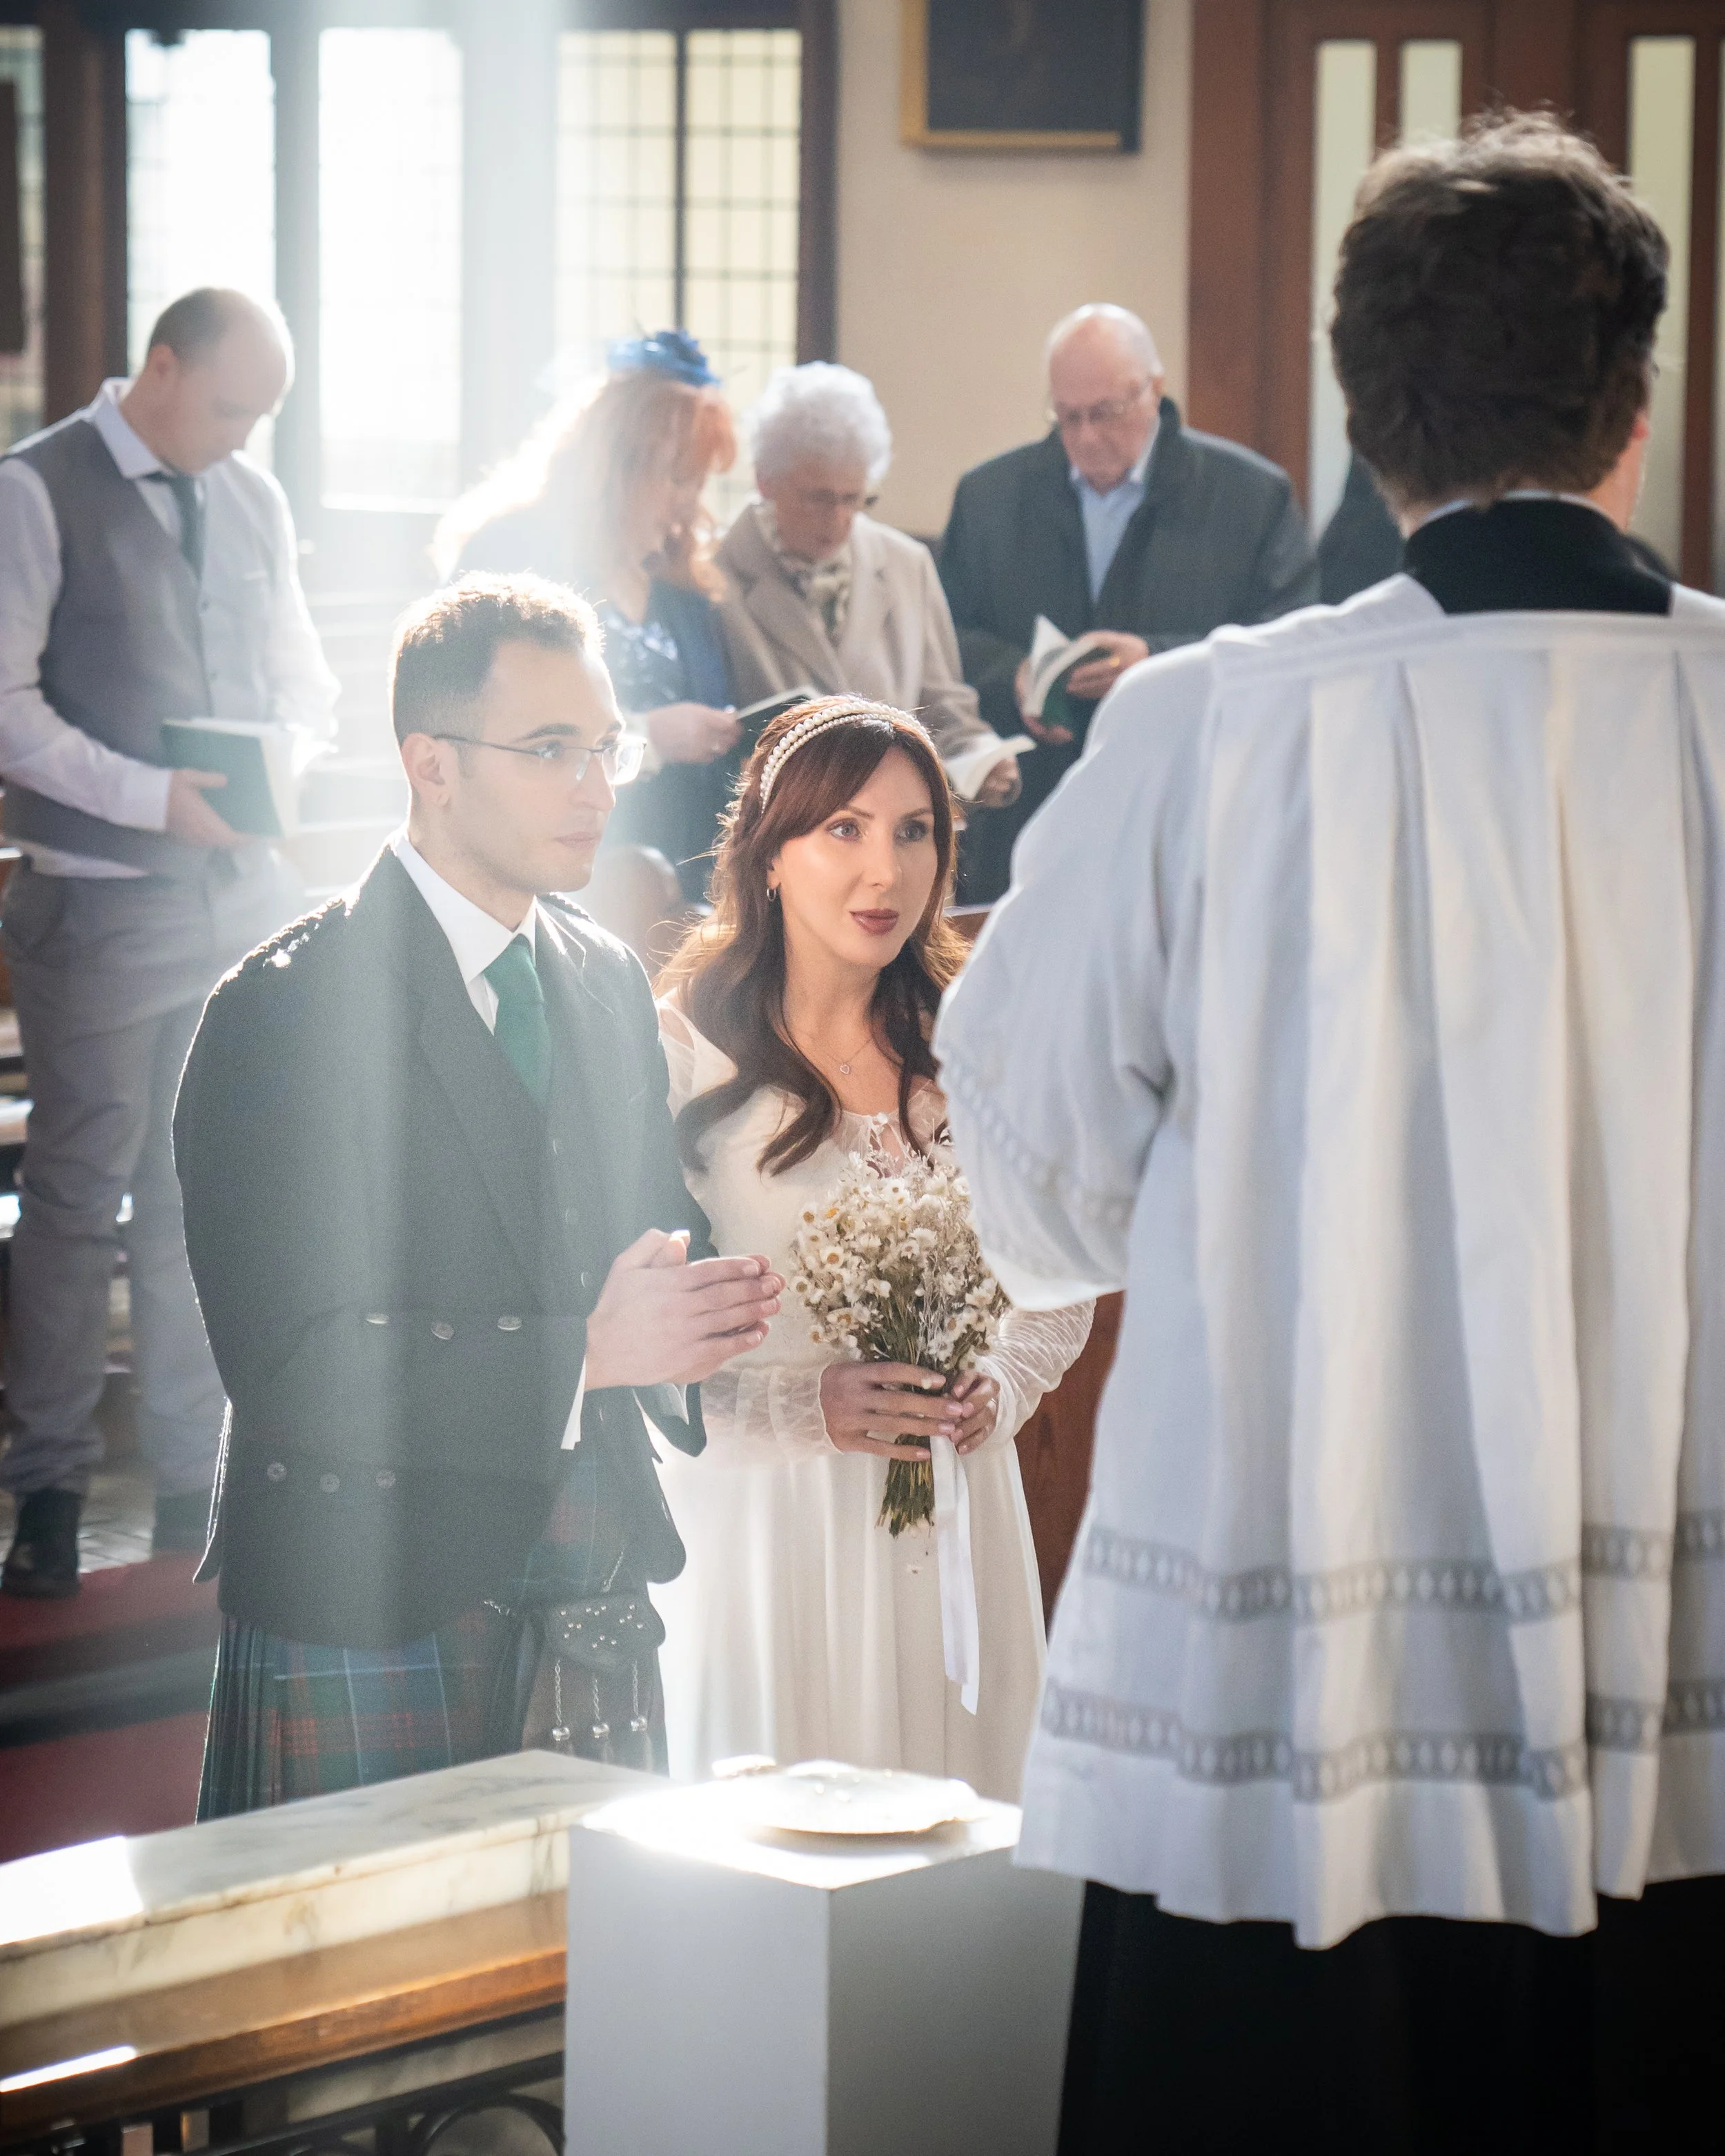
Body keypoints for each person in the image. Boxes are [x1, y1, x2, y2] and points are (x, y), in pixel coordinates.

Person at [936, 117, 1725, 2143]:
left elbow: (1021, 1128)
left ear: (1357, 417)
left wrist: (1245, 1210)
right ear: (1633, 406)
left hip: (1302, 1641)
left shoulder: (1207, 721)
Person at [177, 575, 783, 1813]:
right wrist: (584, 1354)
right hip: (370, 1589)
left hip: (589, 1573)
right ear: (431, 764)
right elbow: (292, 1362)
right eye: (550, 749)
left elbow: (638, 1226)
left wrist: (710, 1293)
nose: (597, 788)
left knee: (589, 1994)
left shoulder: (608, 979)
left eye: (604, 748)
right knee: (359, 1999)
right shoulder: (282, 1008)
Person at [652, 698, 1090, 1799]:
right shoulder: (676, 1049)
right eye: (843, 829)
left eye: (914, 831)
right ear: (770, 850)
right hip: (770, 1530)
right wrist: (809, 1409)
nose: (883, 870)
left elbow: (1057, 1271)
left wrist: (1001, 1382)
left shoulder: (981, 1040)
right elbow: (636, 1353)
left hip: (955, 1515)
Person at [0, 287, 336, 1598]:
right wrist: (156, 799)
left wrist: (282, 763)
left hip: (238, 897)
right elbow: (5, 705)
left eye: (264, 416)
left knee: (198, 1192)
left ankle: (198, 1479)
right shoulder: (36, 489)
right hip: (100, 895)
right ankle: (49, 1487)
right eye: (231, 405)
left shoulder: (250, 498)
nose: (244, 436)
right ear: (161, 364)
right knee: (77, 1199)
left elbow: (303, 677)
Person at [939, 303, 1319, 902]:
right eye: (1069, 417)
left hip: (1186, 814)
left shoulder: (1250, 496)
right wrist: (1013, 674)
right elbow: (944, 635)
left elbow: (1290, 643)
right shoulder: (991, 498)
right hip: (1029, 818)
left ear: (1155, 391)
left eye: (1107, 413)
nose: (1087, 437)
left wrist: (1156, 659)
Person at [436, 331, 740, 900]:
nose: (689, 503)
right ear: (615, 467)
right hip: (542, 871)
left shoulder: (683, 587)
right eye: (676, 478)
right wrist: (649, 737)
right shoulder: (516, 553)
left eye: (698, 483)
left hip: (678, 874)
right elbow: (484, 719)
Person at [716, 364, 1021, 811]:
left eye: (852, 498)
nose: (837, 520)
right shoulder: (718, 574)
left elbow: (945, 712)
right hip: (778, 840)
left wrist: (982, 759)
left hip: (891, 840)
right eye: (817, 498)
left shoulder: (905, 565)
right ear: (766, 481)